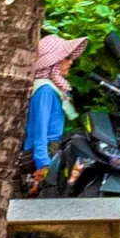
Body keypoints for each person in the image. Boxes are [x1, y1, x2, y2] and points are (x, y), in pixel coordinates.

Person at [21, 35, 85, 190]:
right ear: (53, 62)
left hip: (51, 150)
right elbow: (40, 130)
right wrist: (43, 163)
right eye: (66, 58)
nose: (71, 62)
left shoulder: (52, 89)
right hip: (45, 152)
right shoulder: (45, 90)